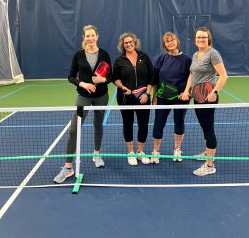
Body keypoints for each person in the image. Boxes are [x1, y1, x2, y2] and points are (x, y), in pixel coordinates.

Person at [54, 25, 112, 184]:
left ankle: (97, 153)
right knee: (73, 130)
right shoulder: (78, 55)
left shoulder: (104, 54)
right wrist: (82, 84)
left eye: (93, 35)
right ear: (84, 38)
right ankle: (68, 168)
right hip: (83, 98)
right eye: (88, 36)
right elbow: (71, 77)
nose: (90, 38)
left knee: (98, 124)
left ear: (97, 36)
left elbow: (111, 75)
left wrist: (104, 80)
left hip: (101, 97)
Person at [181, 27, 228, 176]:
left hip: (208, 98)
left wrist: (215, 92)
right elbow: (192, 74)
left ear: (209, 39)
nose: (201, 39)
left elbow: (223, 75)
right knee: (204, 127)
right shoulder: (196, 54)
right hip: (197, 97)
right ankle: (208, 153)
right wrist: (187, 90)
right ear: (195, 39)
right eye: (198, 37)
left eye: (204, 37)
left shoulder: (213, 54)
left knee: (208, 129)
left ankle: (209, 165)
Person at [112, 32, 154, 166]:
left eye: (131, 42)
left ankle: (140, 152)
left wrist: (147, 94)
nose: (129, 44)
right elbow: (115, 79)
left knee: (143, 124)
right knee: (127, 124)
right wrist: (123, 87)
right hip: (125, 98)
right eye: (126, 43)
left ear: (135, 42)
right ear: (122, 45)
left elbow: (151, 77)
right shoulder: (120, 60)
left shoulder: (144, 57)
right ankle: (130, 153)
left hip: (143, 97)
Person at [150, 32, 192, 164]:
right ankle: (155, 151)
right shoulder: (161, 58)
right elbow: (155, 79)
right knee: (158, 123)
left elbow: (191, 77)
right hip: (162, 97)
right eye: (167, 41)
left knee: (179, 122)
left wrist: (186, 92)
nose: (170, 43)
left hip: (180, 98)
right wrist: (154, 96)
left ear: (177, 41)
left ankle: (177, 149)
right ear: (165, 45)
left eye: (172, 40)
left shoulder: (186, 59)